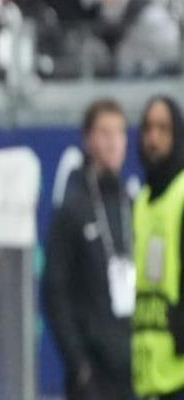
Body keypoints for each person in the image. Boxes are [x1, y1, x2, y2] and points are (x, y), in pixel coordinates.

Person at [43, 98, 133, 400]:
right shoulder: (72, 209)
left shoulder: (132, 203)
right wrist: (79, 365)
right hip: (92, 373)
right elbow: (54, 291)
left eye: (119, 132)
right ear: (88, 139)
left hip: (134, 367)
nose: (113, 142)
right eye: (105, 133)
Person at [132, 96, 184, 399]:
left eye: (163, 129)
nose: (154, 139)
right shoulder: (140, 202)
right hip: (147, 375)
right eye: (148, 128)